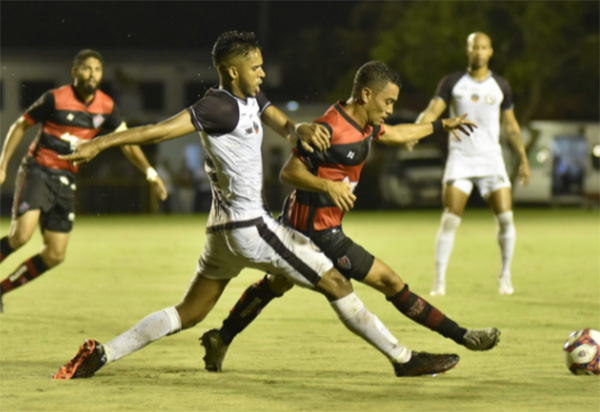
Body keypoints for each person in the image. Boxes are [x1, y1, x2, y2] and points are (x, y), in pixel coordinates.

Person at [51, 32, 478, 381]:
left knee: (190, 313)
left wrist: (301, 129)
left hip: (221, 232)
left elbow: (281, 121)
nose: (263, 72)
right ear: (233, 71)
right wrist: (101, 143)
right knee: (336, 283)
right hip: (248, 224)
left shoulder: (252, 99)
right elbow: (160, 131)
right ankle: (404, 359)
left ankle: (102, 353)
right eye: (255, 67)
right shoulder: (217, 104)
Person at [199, 60, 500, 373]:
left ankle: (221, 337)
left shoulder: (365, 123)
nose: (390, 109)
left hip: (307, 226)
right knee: (389, 281)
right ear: (367, 94)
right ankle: (459, 337)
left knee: (276, 284)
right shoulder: (330, 129)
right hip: (316, 232)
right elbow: (288, 172)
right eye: (388, 102)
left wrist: (441, 125)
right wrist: (327, 185)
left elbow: (397, 134)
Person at [0, 49, 168, 313]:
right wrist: (2, 166)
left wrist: (151, 173)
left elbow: (127, 144)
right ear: (75, 71)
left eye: (98, 69)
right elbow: (20, 125)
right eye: (87, 68)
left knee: (55, 254)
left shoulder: (106, 106)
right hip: (39, 170)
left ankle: (1, 289)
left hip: (67, 178)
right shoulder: (55, 99)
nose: (93, 74)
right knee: (21, 236)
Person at [415, 32, 531, 296]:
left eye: (483, 47)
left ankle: (505, 277)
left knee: (506, 219)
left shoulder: (500, 85)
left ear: (490, 52)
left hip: (492, 160)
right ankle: (439, 281)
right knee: (450, 220)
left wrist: (523, 159)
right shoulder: (453, 82)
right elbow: (432, 111)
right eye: (474, 47)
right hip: (461, 159)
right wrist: (415, 132)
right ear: (468, 50)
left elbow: (511, 126)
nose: (479, 51)